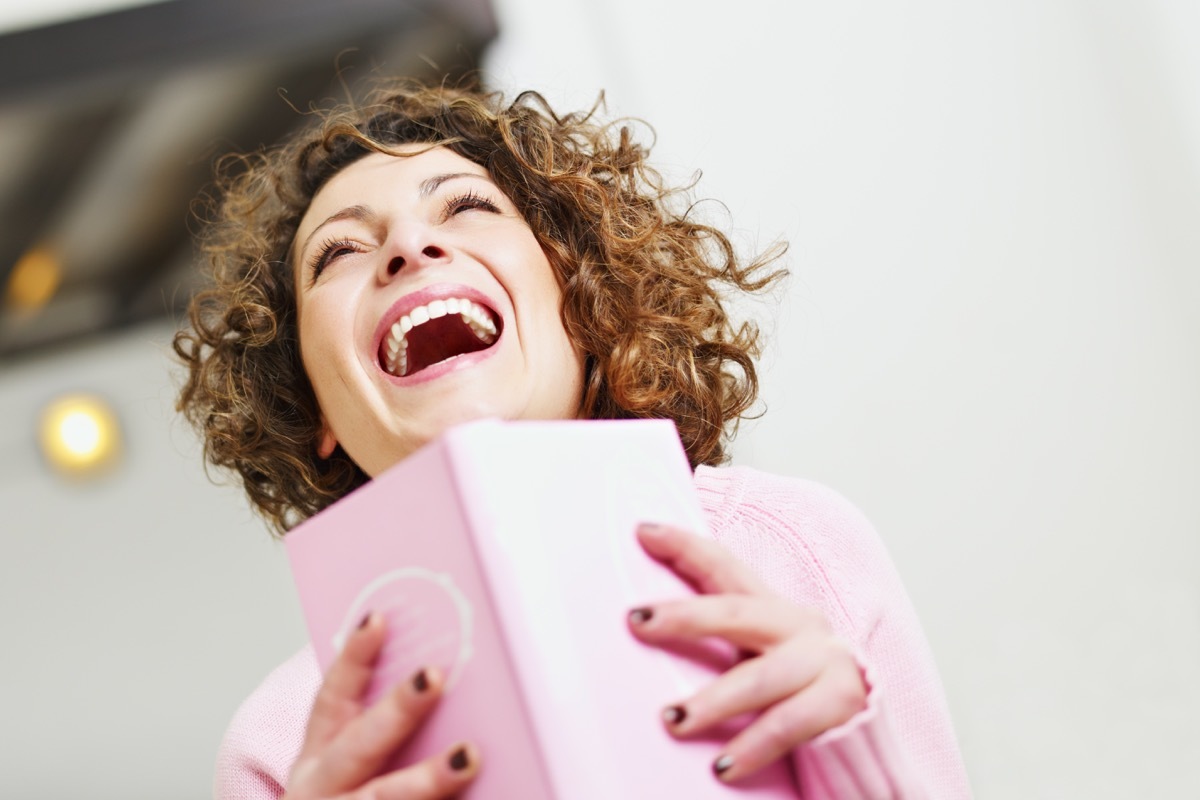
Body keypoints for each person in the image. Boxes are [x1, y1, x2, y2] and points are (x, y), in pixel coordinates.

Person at [175, 79, 971, 799]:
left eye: (466, 206)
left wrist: (852, 760)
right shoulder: (278, 750)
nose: (409, 249)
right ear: (311, 404)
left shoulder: (795, 550)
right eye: (340, 251)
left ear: (581, 301)